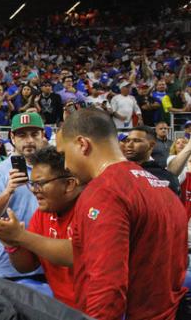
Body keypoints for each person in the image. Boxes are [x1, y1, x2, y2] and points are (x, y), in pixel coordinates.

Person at [56, 107, 187, 319]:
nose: (65, 164)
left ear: (82, 144)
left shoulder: (104, 192)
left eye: (63, 154)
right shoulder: (162, 189)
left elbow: (106, 286)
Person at [0, 146, 78, 307]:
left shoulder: (89, 206)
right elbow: (27, 266)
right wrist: (11, 244)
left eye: (40, 183)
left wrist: (20, 236)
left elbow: (76, 254)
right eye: (32, 184)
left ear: (69, 184)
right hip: (61, 308)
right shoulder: (43, 213)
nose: (34, 190)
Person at [0, 112, 49, 282]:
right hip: (9, 269)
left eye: (34, 134)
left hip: (47, 262)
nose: (29, 140)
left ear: (43, 136)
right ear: (12, 137)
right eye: (22, 135)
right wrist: (8, 191)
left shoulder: (53, 169)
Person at [121, 126, 179, 194]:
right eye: (127, 141)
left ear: (152, 145)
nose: (129, 145)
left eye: (136, 141)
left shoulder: (165, 176)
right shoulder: (116, 171)